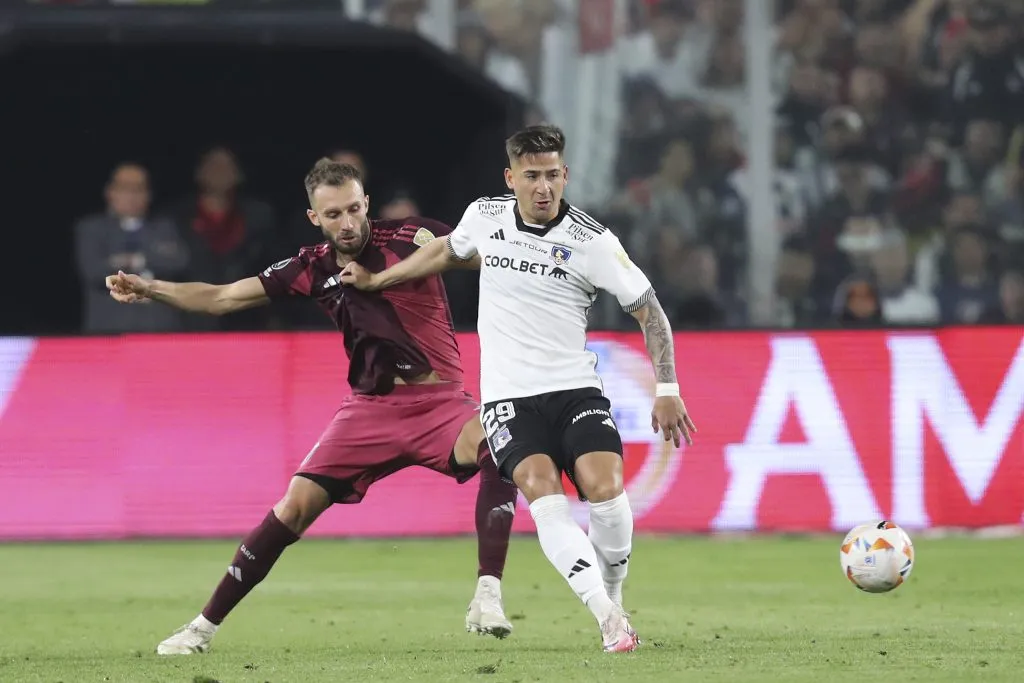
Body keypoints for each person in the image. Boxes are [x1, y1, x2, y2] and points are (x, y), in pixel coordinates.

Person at [105, 159, 519, 654]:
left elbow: (497, 259)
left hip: (440, 403)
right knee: (293, 508)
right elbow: (220, 298)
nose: (346, 223)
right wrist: (151, 288)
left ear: (366, 202)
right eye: (332, 214)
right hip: (369, 411)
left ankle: (487, 594)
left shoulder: (417, 235)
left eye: (352, 208)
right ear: (313, 217)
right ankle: (201, 628)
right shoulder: (310, 266)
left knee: (503, 444)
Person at [341, 125, 697, 653]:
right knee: (541, 491)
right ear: (511, 178)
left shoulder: (592, 241)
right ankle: (608, 618)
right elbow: (446, 251)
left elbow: (651, 311)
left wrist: (667, 386)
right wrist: (377, 281)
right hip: (509, 398)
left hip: (575, 388)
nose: (543, 187)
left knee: (606, 488)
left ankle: (615, 595)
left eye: (553, 175)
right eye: (532, 176)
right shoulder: (484, 216)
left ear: (565, 175)